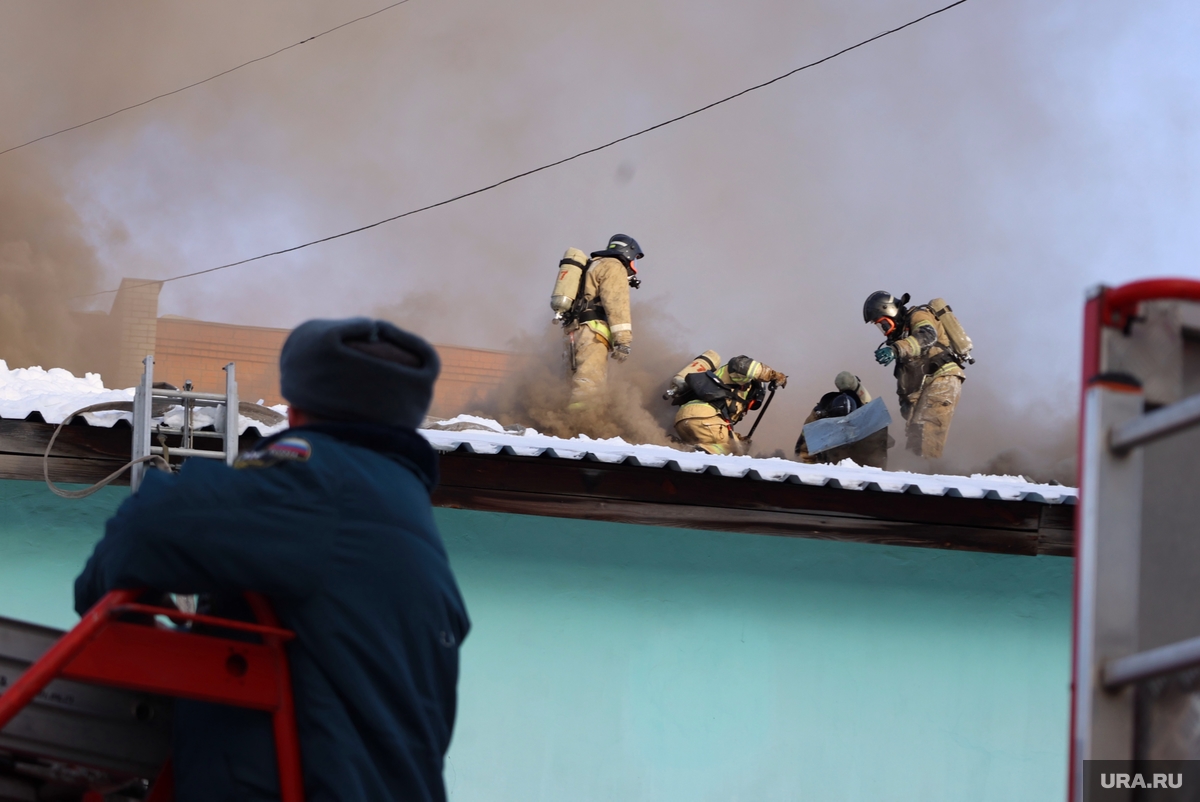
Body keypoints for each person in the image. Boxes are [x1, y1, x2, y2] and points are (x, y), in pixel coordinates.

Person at [74, 318, 469, 802]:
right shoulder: (406, 516)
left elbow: (150, 526)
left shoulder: (318, 481)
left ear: (300, 407)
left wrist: (123, 613)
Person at [863, 290, 966, 458]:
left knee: (926, 435)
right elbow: (909, 387)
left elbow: (927, 335)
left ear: (890, 311)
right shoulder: (902, 341)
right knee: (915, 438)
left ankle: (927, 477)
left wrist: (896, 349)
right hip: (929, 385)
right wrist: (910, 421)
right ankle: (919, 471)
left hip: (942, 378)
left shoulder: (918, 315)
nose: (884, 330)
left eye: (883, 324)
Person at [565, 234, 644, 411]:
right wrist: (623, 341)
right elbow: (616, 304)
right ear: (628, 253)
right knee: (589, 384)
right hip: (593, 333)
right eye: (635, 261)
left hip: (574, 330)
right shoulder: (614, 267)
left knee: (572, 382)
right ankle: (581, 424)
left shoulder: (593, 265)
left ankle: (562, 423)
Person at [670, 353, 788, 455]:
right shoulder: (743, 381)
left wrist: (738, 439)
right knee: (734, 451)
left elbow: (722, 426)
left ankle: (676, 447)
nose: (748, 408)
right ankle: (698, 452)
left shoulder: (726, 397)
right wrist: (773, 375)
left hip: (683, 421)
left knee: (733, 445)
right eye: (753, 403)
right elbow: (741, 364)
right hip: (704, 417)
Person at [795, 371, 890, 468]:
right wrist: (811, 468)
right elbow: (805, 444)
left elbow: (881, 446)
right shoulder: (818, 417)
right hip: (829, 459)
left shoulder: (867, 416)